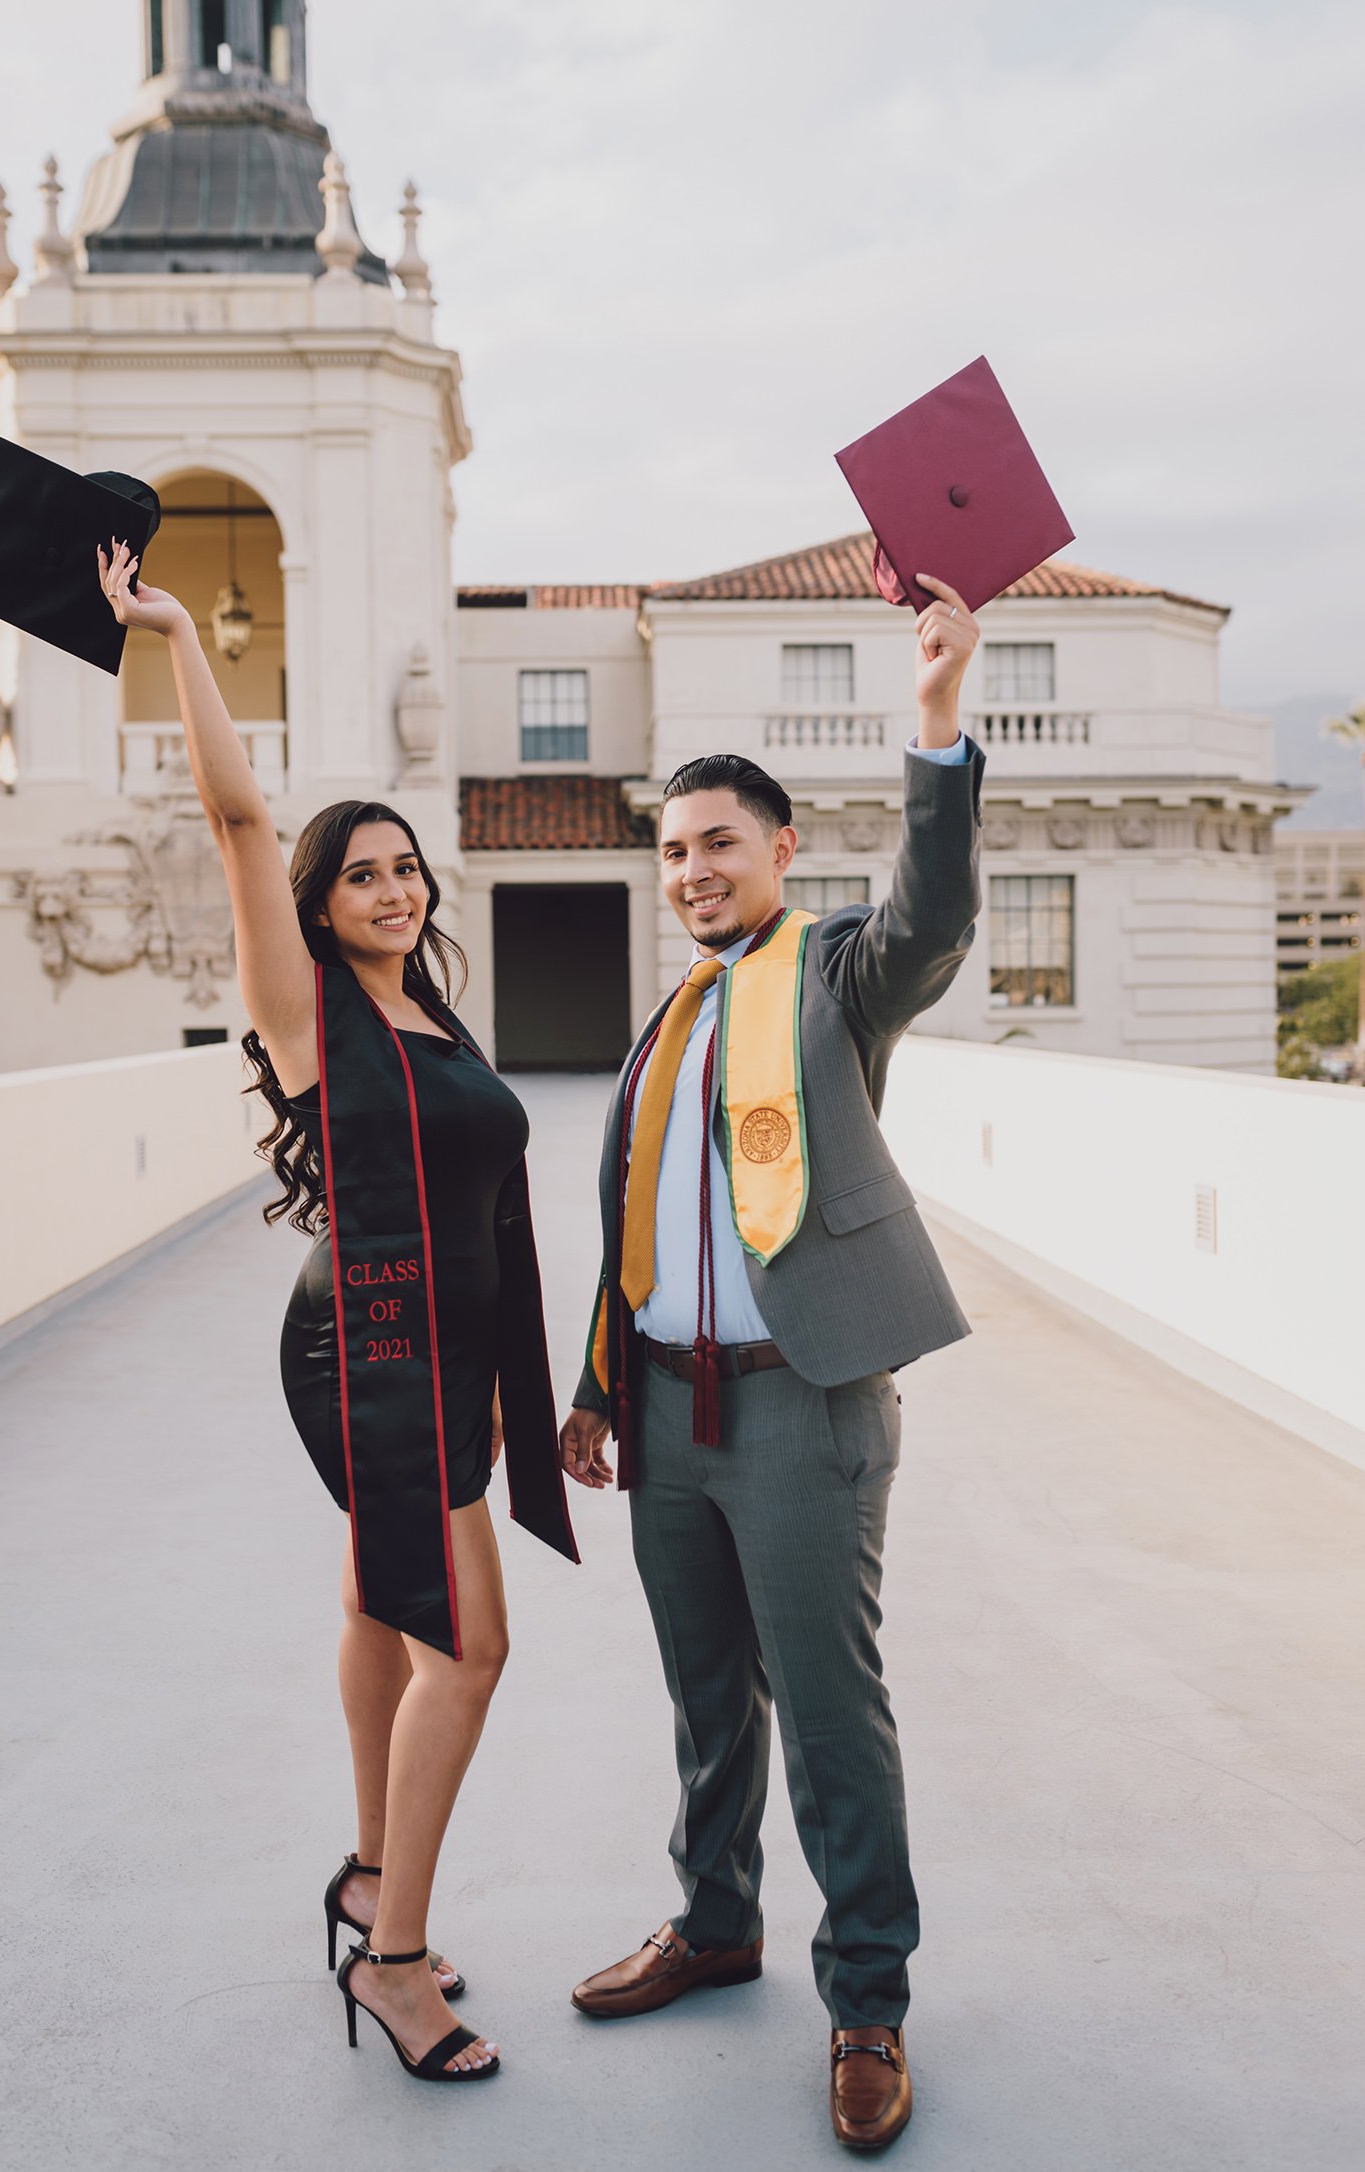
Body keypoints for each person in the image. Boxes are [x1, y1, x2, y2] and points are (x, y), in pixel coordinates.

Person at [97, 540, 577, 2087]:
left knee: (385, 1609)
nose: (393, 886)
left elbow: (484, 1204)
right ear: (317, 899)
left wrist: (508, 1382)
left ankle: (373, 1873)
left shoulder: (433, 1008)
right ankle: (393, 1961)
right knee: (474, 1646)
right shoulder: (300, 1006)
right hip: (363, 1352)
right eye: (360, 870)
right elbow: (238, 812)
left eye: (405, 866)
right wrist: (177, 636)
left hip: (440, 1351)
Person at [558, 574, 983, 2152]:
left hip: (805, 1406)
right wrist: (602, 1386)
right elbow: (637, 1220)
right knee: (702, 1701)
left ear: (782, 852)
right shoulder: (668, 1019)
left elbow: (936, 915)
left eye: (720, 844)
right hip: (669, 1410)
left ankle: (866, 1996)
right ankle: (715, 1920)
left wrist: (936, 712)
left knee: (825, 1705)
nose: (691, 872)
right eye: (671, 851)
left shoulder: (834, 979)